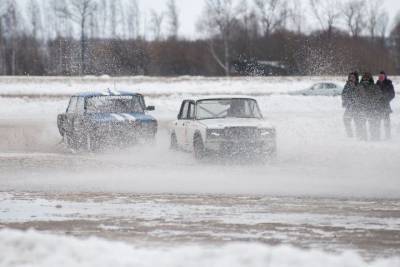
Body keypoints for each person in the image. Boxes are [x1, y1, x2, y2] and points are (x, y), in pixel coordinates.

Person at [358, 72, 384, 141]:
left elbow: (379, 96)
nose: (366, 78)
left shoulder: (374, 86)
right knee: (362, 125)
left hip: (372, 109)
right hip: (362, 108)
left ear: (370, 78)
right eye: (365, 77)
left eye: (367, 77)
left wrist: (372, 101)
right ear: (363, 78)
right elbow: (355, 96)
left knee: (373, 125)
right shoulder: (359, 86)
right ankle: (363, 139)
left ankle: (375, 138)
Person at [376, 71, 395, 139]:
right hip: (378, 107)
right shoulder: (377, 83)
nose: (381, 77)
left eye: (382, 76)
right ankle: (377, 136)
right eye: (380, 76)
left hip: (385, 106)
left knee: (386, 122)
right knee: (377, 122)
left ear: (385, 77)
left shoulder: (389, 84)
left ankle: (388, 136)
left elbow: (392, 94)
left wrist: (386, 99)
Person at [342, 72, 359, 137]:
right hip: (349, 107)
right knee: (346, 119)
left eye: (353, 77)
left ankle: (359, 134)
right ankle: (350, 135)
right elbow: (343, 94)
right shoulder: (347, 85)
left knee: (357, 121)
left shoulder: (358, 85)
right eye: (350, 77)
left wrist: (354, 101)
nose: (351, 78)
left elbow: (360, 95)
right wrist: (345, 101)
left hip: (357, 107)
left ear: (355, 78)